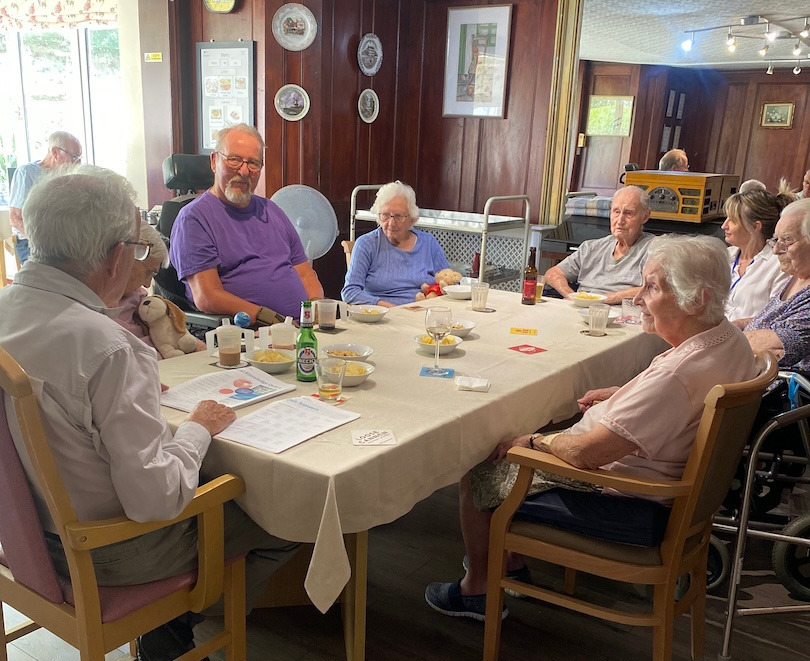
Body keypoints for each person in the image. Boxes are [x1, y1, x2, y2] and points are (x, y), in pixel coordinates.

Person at [0, 165, 297, 661]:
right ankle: (178, 619)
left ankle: (174, 625)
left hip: (22, 535)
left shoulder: (9, 309)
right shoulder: (108, 348)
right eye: (138, 250)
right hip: (110, 552)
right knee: (284, 515)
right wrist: (199, 428)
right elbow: (154, 500)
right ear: (117, 255)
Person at [424, 234, 760, 621]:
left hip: (628, 499)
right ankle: (510, 563)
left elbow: (587, 453)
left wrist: (535, 440)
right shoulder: (729, 340)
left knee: (483, 463)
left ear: (697, 298)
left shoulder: (677, 376)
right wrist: (624, 395)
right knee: (538, 433)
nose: (637, 298)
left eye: (652, 287)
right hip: (669, 491)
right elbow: (680, 404)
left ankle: (477, 591)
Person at [170, 123, 323, 324]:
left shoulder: (272, 210)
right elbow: (207, 297)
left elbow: (305, 275)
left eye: (253, 163)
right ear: (215, 161)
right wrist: (270, 319)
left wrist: (316, 313)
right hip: (251, 333)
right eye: (234, 160)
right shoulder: (193, 219)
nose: (243, 171)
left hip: (301, 328)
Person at [341, 180, 450, 307]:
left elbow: (451, 284)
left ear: (411, 219)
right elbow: (350, 292)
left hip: (422, 314)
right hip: (381, 317)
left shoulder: (428, 243)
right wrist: (388, 307)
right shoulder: (366, 244)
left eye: (398, 216)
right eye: (385, 215)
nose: (391, 223)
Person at [544, 186, 653, 305]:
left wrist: (602, 300)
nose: (620, 220)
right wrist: (572, 296)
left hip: (621, 317)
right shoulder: (591, 247)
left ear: (645, 216)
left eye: (628, 213)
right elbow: (552, 274)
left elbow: (654, 288)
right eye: (616, 212)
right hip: (581, 309)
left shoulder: (654, 249)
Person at [738, 198, 810, 372]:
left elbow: (781, 346)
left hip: (779, 393)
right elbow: (777, 322)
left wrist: (724, 339)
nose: (776, 250)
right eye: (776, 239)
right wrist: (741, 324)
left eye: (787, 240)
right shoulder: (796, 277)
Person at [114, 220, 205, 358]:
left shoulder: (137, 296)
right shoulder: (103, 307)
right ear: (124, 257)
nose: (147, 284)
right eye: (148, 272)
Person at [8, 130, 82, 264]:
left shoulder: (65, 177)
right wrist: (43, 244)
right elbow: (15, 217)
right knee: (55, 273)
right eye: (74, 157)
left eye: (79, 159)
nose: (78, 163)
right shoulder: (27, 173)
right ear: (55, 152)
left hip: (59, 243)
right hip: (31, 242)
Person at [722, 187, 792, 320]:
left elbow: (776, 317)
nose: (724, 226)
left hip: (750, 337)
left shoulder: (778, 265)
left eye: (732, 220)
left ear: (755, 226)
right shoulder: (724, 256)